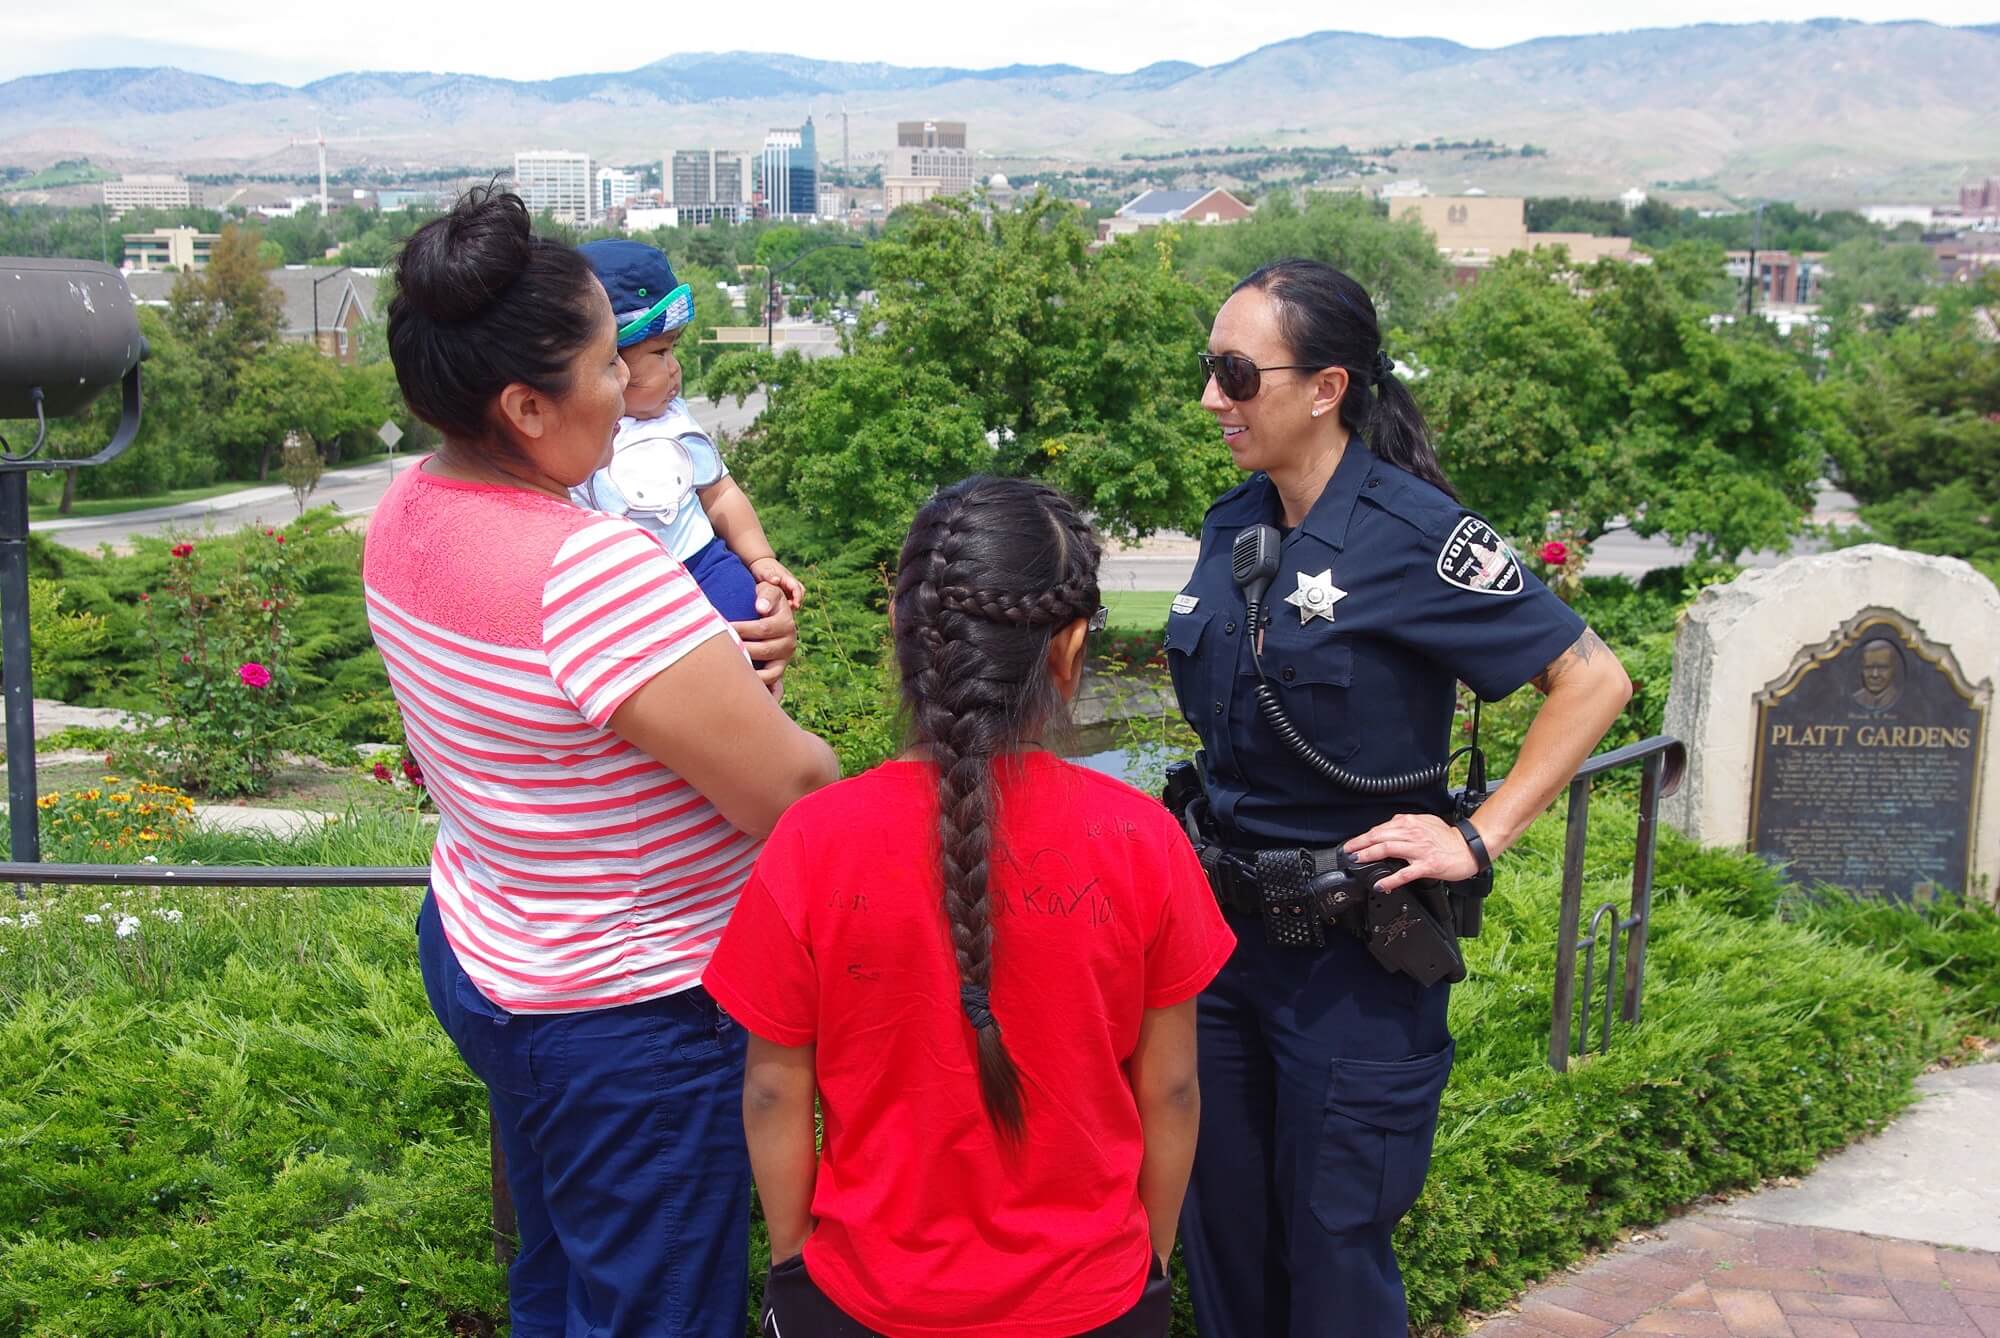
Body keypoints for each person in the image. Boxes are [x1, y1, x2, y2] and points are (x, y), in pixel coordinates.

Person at [365, 187, 840, 1337]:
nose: (629, 388)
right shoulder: (592, 567)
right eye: (604, 367)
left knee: (561, 1270)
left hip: (489, 946)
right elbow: (797, 796)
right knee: (654, 1309)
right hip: (628, 1008)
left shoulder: (408, 509)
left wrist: (699, 657)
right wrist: (743, 690)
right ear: (527, 405)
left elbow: (550, 703)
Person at [1168, 259, 1633, 1338]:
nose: (1212, 399)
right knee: (1223, 1237)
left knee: (1334, 1250)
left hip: (1351, 960)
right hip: (1221, 949)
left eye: (1236, 374)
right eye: (1208, 370)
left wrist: (1479, 833)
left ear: (1324, 386)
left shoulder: (1415, 534)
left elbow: (1592, 679)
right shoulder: (1232, 524)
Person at [703, 477, 1237, 1338]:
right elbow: (1171, 1090)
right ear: (1067, 650)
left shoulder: (814, 840)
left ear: (905, 637)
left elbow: (772, 1091)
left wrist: (795, 1268)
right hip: (1090, 1301)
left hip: (864, 1299)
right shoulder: (1143, 839)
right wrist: (1151, 1266)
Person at [572, 239, 804, 629]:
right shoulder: (580, 436)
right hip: (629, 589)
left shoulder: (674, 418)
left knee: (749, 619)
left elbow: (721, 494)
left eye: (674, 350)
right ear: (606, 360)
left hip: (703, 562)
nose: (675, 368)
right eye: (659, 354)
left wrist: (760, 558)